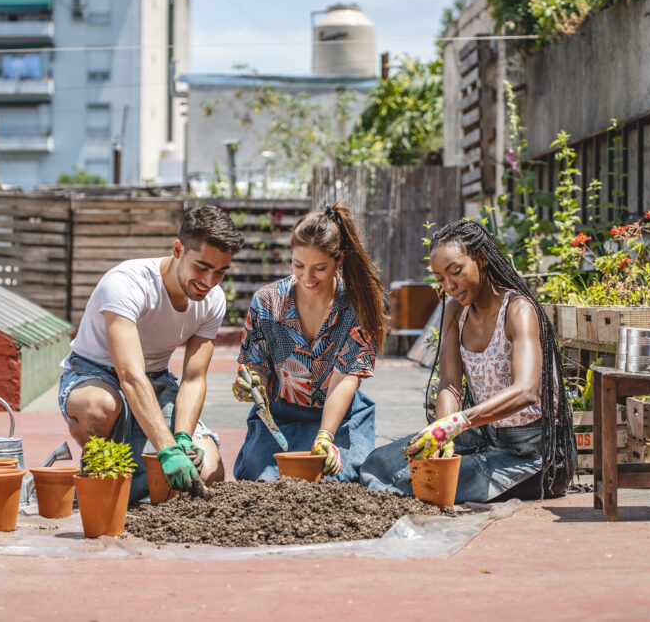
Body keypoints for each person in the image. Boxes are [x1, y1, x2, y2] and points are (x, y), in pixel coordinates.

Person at [359, 219, 576, 502]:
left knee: (424, 480)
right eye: (440, 278)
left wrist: (458, 422)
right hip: (484, 439)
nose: (449, 285)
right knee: (380, 463)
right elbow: (450, 384)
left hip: (533, 458)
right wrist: (442, 435)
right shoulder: (455, 313)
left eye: (456, 272)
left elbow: (525, 391)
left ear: (481, 259)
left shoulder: (519, 310)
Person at [58, 205, 244, 502]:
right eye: (202, 267)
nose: (209, 282)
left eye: (220, 272)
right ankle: (103, 483)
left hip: (156, 379)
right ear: (178, 249)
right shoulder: (126, 283)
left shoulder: (212, 301)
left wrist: (182, 438)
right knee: (98, 408)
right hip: (95, 375)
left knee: (208, 470)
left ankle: (137, 483)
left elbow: (194, 379)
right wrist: (167, 449)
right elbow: (129, 376)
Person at [231, 202, 387, 482]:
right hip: (279, 415)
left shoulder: (356, 305)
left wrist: (325, 436)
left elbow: (345, 379)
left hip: (339, 416)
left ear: (339, 260)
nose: (307, 277)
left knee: (335, 478)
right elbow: (256, 364)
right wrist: (253, 383)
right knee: (266, 479)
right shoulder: (267, 301)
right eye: (298, 265)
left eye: (319, 268)